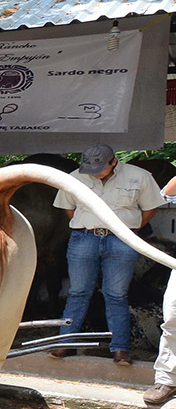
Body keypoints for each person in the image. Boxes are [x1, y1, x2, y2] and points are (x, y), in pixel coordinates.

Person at [54, 143, 165, 365]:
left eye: (99, 169)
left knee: (116, 295)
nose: (93, 173)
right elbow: (68, 208)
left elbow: (151, 207)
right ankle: (64, 343)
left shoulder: (139, 176)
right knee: (78, 292)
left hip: (122, 240)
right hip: (84, 238)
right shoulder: (74, 177)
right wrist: (87, 224)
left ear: (113, 162)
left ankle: (120, 349)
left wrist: (130, 230)